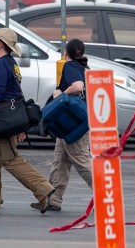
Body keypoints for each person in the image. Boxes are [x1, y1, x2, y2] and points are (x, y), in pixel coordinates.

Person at [0, 27, 55, 214]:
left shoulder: (1, 64)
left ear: (1, 44)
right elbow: (16, 93)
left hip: (1, 119)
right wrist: (19, 125)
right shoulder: (11, 64)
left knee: (10, 160)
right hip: (8, 117)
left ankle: (43, 189)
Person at [30, 39, 93, 211]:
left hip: (73, 125)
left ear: (67, 52)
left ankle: (106, 194)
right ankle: (53, 199)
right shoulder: (85, 68)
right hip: (72, 123)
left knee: (80, 161)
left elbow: (78, 86)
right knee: (60, 161)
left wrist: (61, 93)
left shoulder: (70, 66)